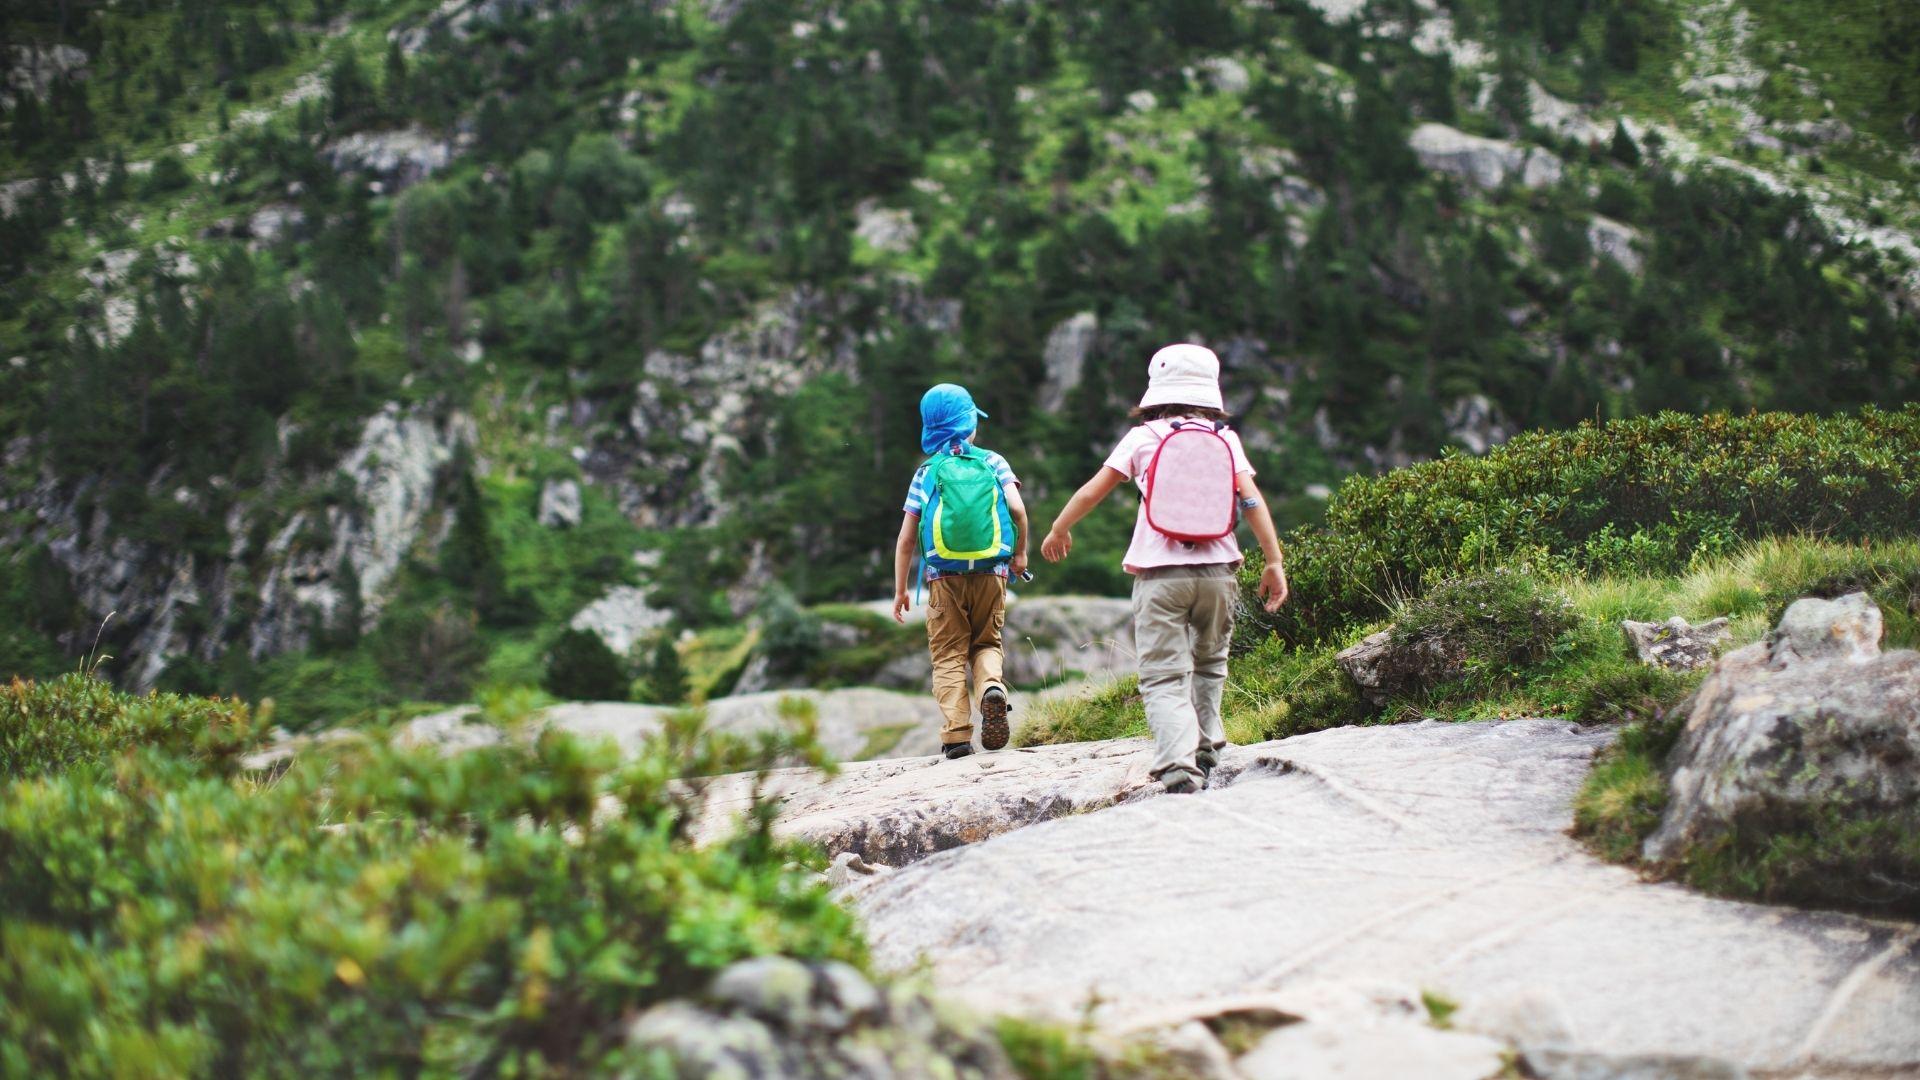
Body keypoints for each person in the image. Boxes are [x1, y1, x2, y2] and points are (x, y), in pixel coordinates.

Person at [1040, 344, 1288, 793]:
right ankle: (1208, 741)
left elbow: (1094, 491)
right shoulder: (1225, 438)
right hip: (1218, 572)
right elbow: (1251, 500)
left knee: (1163, 673)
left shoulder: (1143, 438)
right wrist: (1273, 560)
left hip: (1160, 575)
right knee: (1211, 661)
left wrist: (1059, 528)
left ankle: (1178, 763)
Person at [892, 383, 1030, 760]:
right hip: (992, 572)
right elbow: (1018, 511)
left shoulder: (926, 472)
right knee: (986, 642)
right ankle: (990, 689)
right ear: (970, 424)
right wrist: (1020, 555)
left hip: (943, 579)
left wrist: (901, 589)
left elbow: (906, 539)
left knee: (949, 654)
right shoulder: (994, 461)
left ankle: (956, 736)